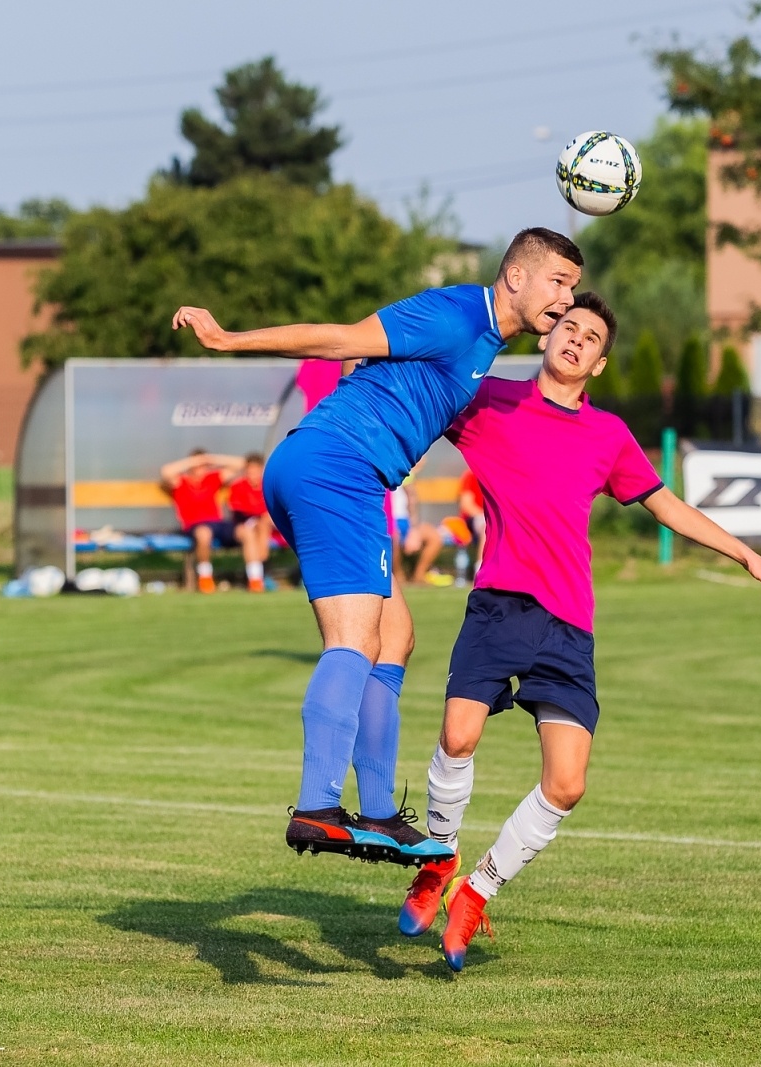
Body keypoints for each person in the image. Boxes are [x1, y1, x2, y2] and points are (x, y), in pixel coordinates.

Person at [393, 294, 761, 971]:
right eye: (568, 327)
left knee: (568, 782)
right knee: (458, 737)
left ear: (599, 363)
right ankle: (437, 861)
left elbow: (667, 506)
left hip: (567, 623)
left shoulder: (608, 435)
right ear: (546, 337)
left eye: (591, 338)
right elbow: (415, 397)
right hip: (497, 606)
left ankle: (478, 891)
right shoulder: (487, 401)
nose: (575, 339)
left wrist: (747, 555)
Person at [172, 226, 582, 866]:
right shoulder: (456, 314)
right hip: (336, 467)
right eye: (558, 282)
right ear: (516, 276)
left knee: (395, 638)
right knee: (355, 641)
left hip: (335, 469)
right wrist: (228, 339)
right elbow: (340, 339)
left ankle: (380, 814)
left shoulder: (484, 340)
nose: (566, 300)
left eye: (574, 288)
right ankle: (316, 807)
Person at [160, 450, 242, 594]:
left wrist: (212, 459)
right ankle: (205, 577)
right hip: (194, 526)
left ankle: (256, 579)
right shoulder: (180, 481)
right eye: (197, 465)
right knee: (204, 533)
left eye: (203, 465)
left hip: (217, 524)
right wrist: (193, 461)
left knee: (246, 531)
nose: (200, 468)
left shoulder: (212, 478)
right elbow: (166, 472)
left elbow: (240, 464)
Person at [227, 453, 277, 593]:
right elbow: (238, 510)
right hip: (242, 526)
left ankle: (261, 567)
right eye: (249, 472)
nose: (252, 476)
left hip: (266, 527)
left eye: (255, 472)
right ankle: (256, 580)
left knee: (264, 522)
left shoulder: (268, 486)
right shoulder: (238, 486)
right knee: (250, 532)